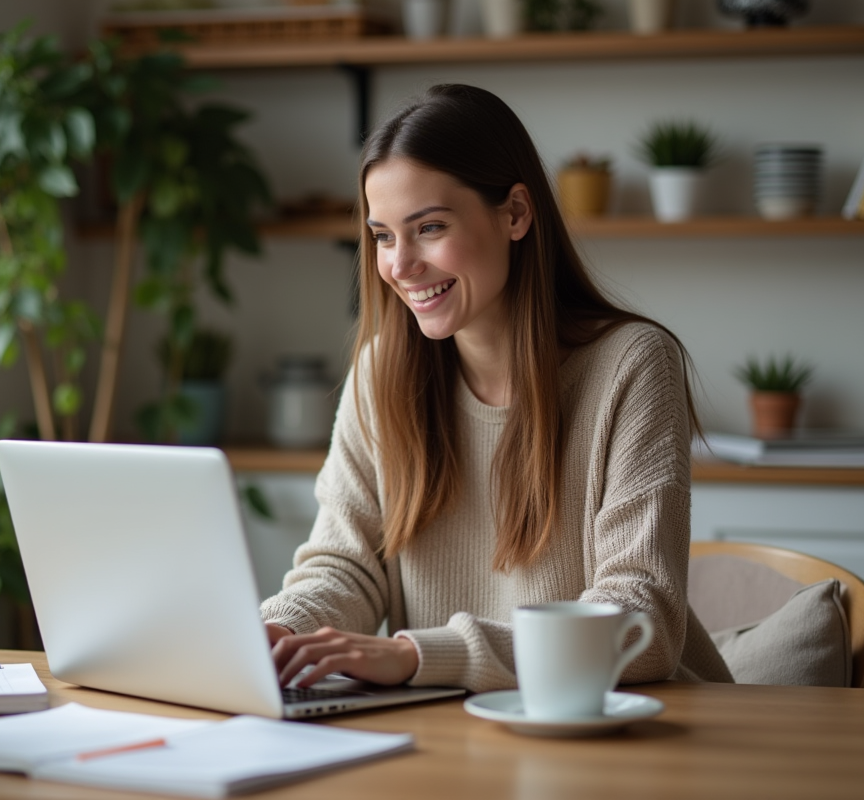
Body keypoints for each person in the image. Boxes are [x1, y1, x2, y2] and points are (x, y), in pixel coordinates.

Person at [261, 83, 733, 693]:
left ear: (515, 213)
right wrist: (275, 632)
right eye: (382, 236)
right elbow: (345, 565)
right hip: (458, 730)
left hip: (636, 732)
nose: (399, 266)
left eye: (428, 227)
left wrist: (417, 656)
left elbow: (641, 619)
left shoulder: (631, 366)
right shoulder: (382, 373)